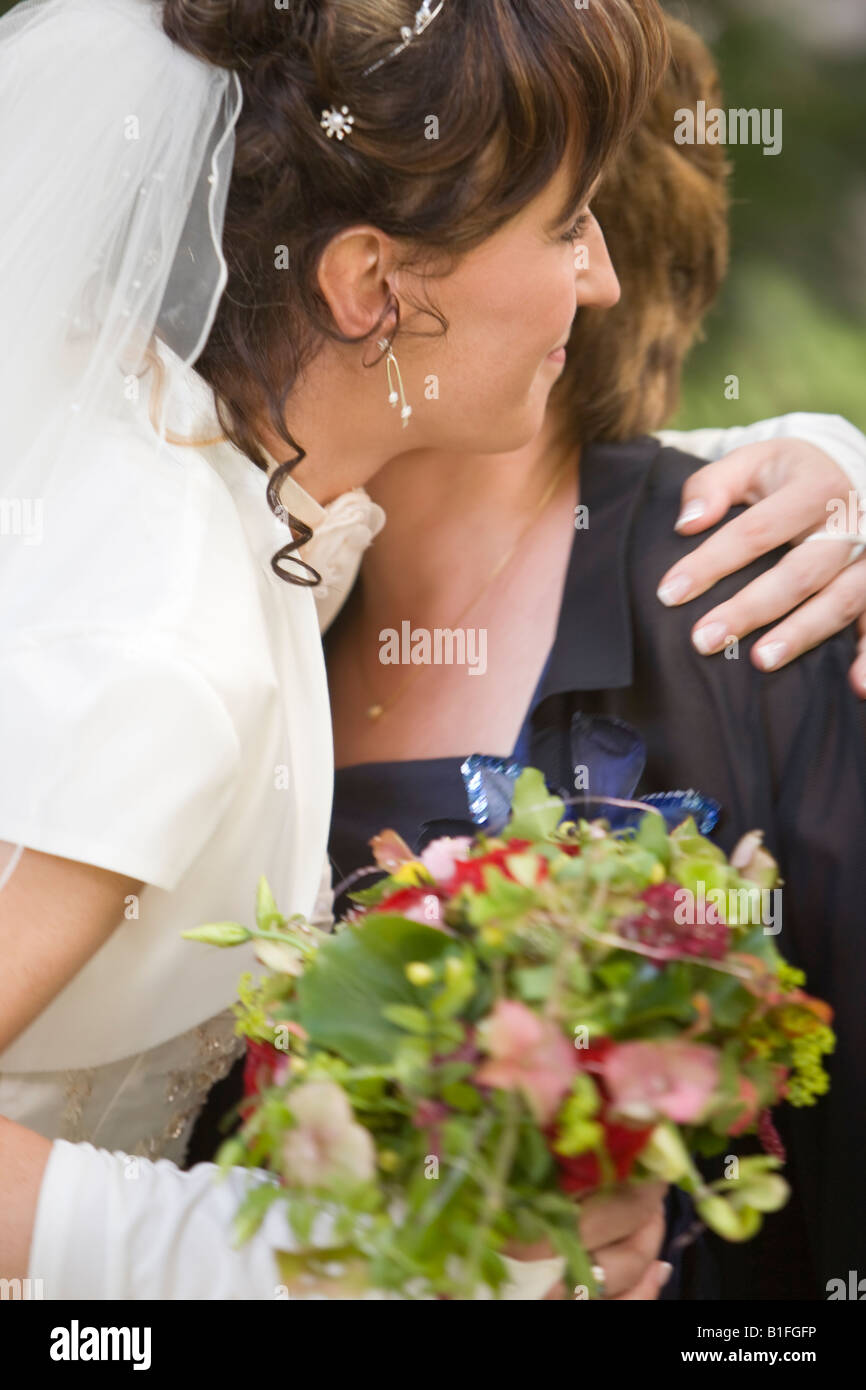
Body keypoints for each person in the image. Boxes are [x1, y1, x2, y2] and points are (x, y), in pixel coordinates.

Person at [0, 1, 863, 1300]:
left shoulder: (251, 513)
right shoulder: (174, 621)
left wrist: (835, 460)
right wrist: (348, 1263)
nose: (603, 277)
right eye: (568, 225)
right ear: (368, 284)